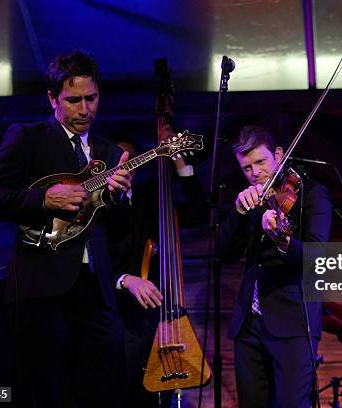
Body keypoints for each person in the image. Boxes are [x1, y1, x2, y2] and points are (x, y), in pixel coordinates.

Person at [0, 50, 133, 407]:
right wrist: (43, 200)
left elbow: (120, 233)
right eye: (73, 100)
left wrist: (120, 197)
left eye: (91, 99)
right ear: (52, 99)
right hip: (42, 290)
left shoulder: (108, 152)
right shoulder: (27, 138)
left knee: (104, 389)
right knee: (47, 391)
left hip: (96, 290)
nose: (84, 109)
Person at [221, 125, 332, 408]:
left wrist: (282, 240)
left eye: (260, 162)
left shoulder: (312, 194)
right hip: (249, 323)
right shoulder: (249, 198)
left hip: (293, 322)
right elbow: (225, 254)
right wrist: (238, 212)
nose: (254, 173)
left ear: (279, 155)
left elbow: (317, 257)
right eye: (246, 167)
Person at [109, 129, 207, 407]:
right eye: (118, 159)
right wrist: (124, 279)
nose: (125, 166)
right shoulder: (94, 205)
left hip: (149, 316)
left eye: (131, 160)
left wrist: (176, 158)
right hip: (108, 313)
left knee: (148, 396)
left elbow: (197, 213)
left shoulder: (151, 199)